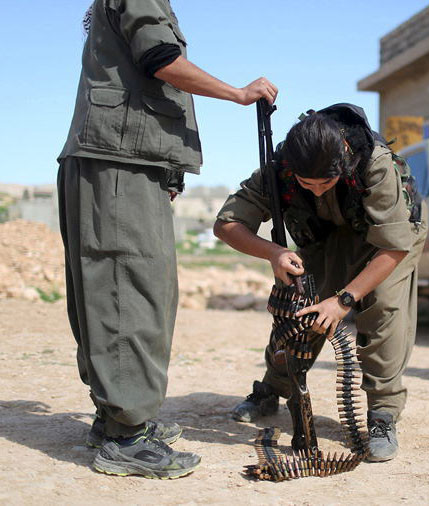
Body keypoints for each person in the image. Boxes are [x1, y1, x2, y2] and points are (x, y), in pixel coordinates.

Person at [57, 0, 277, 479]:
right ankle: (125, 437)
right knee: (128, 294)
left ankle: (116, 418)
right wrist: (238, 94)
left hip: (128, 159)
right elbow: (161, 60)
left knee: (134, 290)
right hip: (119, 162)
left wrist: (171, 167)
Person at [213, 104, 427, 462]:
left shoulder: (373, 164)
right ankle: (273, 387)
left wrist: (344, 300)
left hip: (391, 240)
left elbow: (393, 246)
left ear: (344, 159)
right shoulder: (280, 168)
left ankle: (383, 413)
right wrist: (274, 252)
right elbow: (226, 224)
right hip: (325, 235)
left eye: (324, 184)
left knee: (383, 306)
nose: (314, 192)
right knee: (300, 308)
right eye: (305, 184)